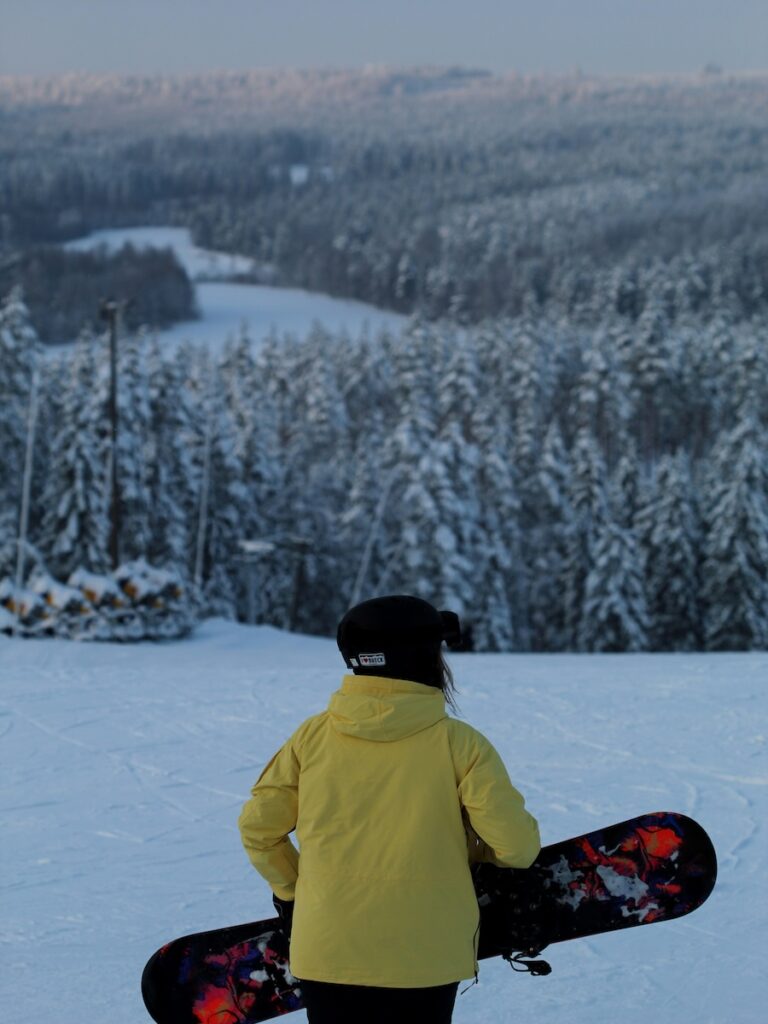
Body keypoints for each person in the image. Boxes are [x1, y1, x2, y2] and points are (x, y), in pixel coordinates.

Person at [238, 594, 540, 1024]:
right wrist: (471, 856)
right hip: (427, 953)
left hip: (328, 946)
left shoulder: (310, 738)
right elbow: (517, 847)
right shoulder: (461, 744)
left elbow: (258, 830)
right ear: (426, 659)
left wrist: (296, 892)